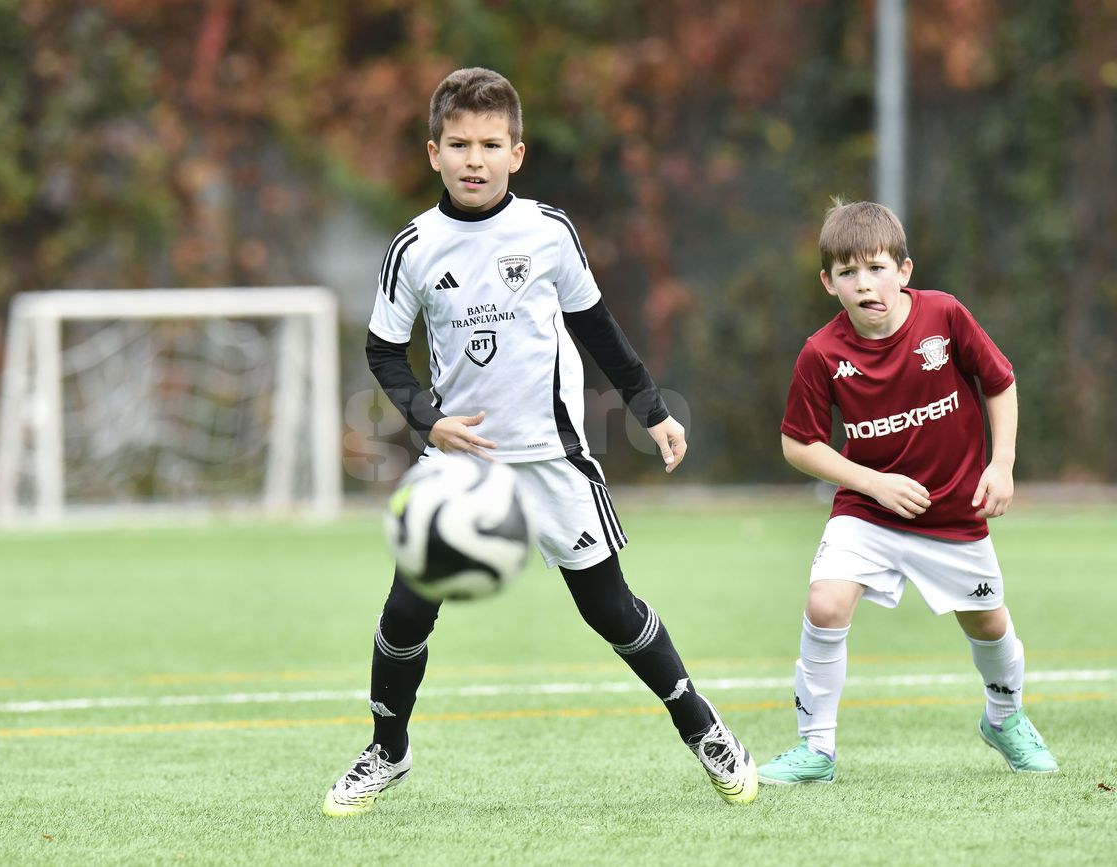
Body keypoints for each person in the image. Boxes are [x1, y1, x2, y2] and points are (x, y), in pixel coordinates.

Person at [322, 67, 757, 816]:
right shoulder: (415, 248)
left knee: (611, 610)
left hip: (553, 460)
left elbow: (596, 326)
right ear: (433, 152)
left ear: (517, 154)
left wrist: (651, 408)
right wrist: (429, 420)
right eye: (458, 143)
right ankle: (386, 751)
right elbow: (384, 352)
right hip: (458, 465)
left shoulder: (547, 232)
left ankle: (705, 730)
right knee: (405, 611)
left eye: (491, 144)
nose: (474, 158)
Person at [756, 199, 1058, 785]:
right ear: (828, 283)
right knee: (825, 604)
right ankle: (815, 750)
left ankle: (1006, 718)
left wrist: (1003, 464)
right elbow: (800, 445)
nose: (864, 284)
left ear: (904, 271)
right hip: (868, 512)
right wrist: (874, 484)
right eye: (848, 273)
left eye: (875, 268)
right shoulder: (821, 353)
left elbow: (1000, 382)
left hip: (951, 515)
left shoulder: (944, 316)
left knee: (989, 625)